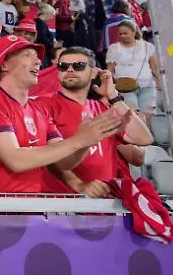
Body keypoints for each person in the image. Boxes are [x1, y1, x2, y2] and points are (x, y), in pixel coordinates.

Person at [0, 35, 127, 194]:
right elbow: (15, 160)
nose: (38, 61)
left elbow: (64, 163)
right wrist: (79, 140)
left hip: (31, 205)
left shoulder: (38, 110)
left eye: (37, 57)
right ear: (4, 65)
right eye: (27, 55)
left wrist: (89, 140)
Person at [40, 47, 152, 196]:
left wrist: (113, 96)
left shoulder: (103, 108)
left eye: (78, 65)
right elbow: (48, 155)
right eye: (63, 66)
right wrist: (78, 184)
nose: (70, 70)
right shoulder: (44, 105)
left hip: (106, 199)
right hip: (65, 200)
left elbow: (144, 139)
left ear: (93, 72)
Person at [106, 20, 161, 123]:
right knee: (132, 115)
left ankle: (146, 133)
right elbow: (110, 70)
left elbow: (155, 67)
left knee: (147, 115)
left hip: (147, 86)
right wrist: (108, 86)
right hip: (125, 87)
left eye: (125, 33)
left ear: (134, 32)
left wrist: (160, 80)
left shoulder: (148, 46)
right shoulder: (114, 48)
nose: (122, 36)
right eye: (120, 34)